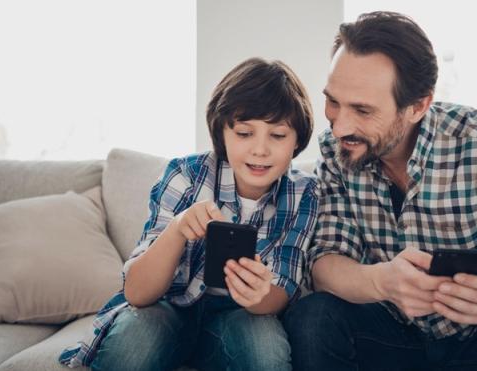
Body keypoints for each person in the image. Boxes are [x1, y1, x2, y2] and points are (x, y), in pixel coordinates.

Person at [283, 11, 477, 371]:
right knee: (312, 318)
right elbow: (325, 260)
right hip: (388, 338)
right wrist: (380, 280)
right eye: (333, 101)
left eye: (362, 110)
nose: (339, 126)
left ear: (418, 106)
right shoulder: (336, 151)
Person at [59, 57, 318, 371]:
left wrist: (260, 293)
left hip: (240, 318)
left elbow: (281, 292)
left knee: (262, 345)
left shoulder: (305, 193)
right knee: (134, 342)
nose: (260, 150)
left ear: (297, 141)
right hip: (168, 308)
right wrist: (179, 229)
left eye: (277, 136)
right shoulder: (185, 174)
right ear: (221, 133)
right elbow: (138, 293)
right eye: (244, 133)